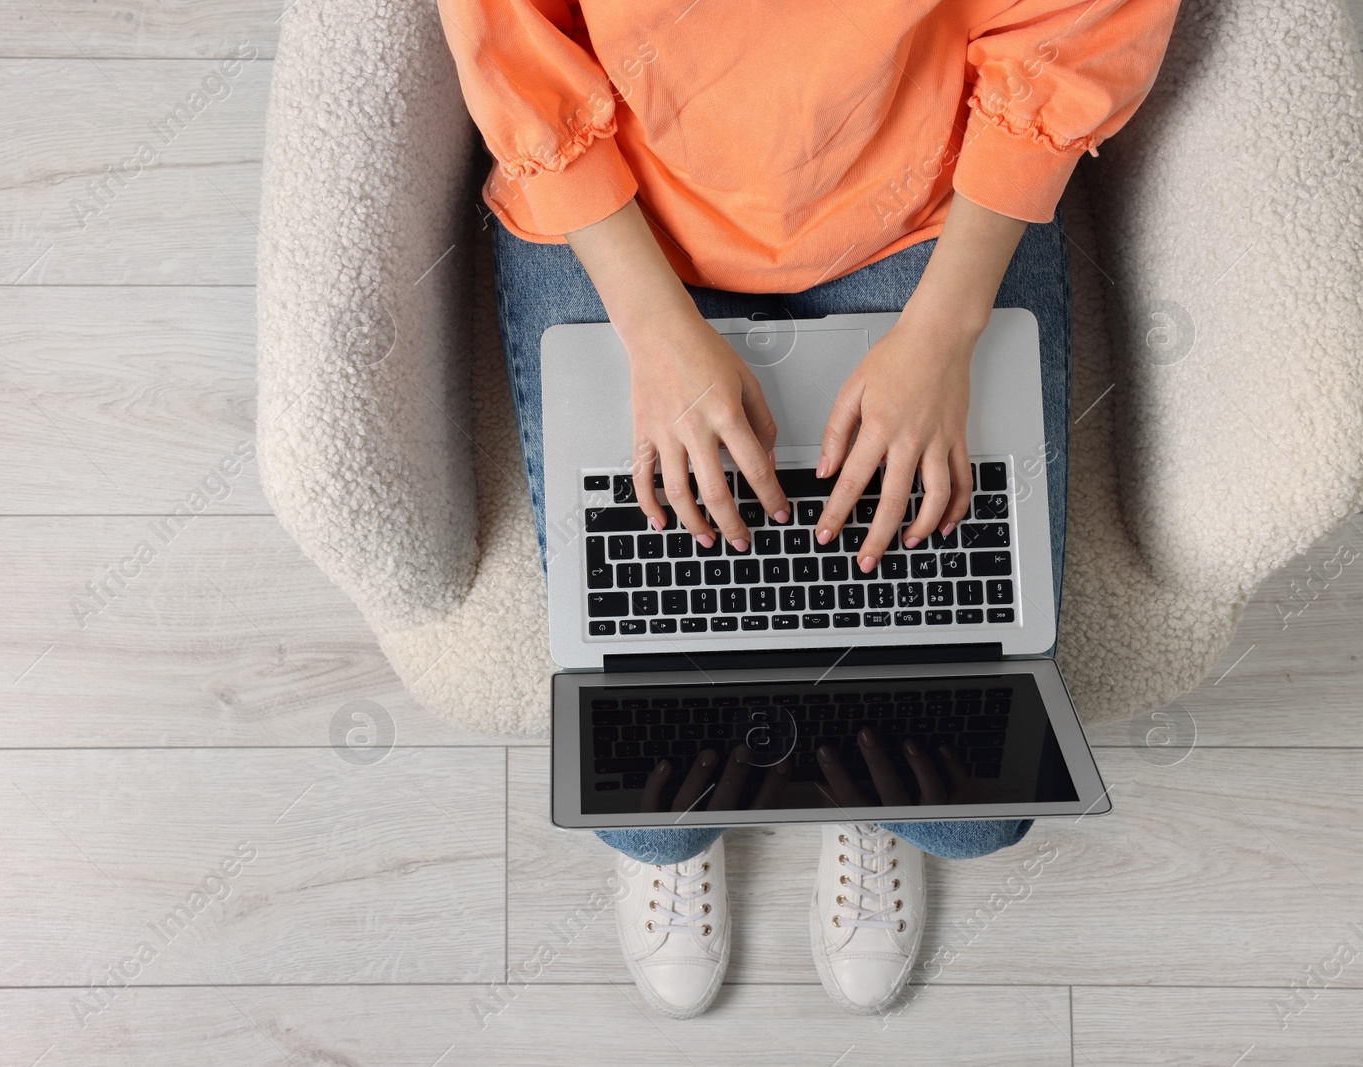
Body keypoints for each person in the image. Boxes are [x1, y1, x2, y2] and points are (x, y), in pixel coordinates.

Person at [437, 0, 1178, 1019]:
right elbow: (518, 51)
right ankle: (745, 797)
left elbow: (1078, 33)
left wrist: (943, 334)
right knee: (653, 812)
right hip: (619, 202)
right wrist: (651, 330)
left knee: (965, 813)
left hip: (916, 206)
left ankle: (849, 769)